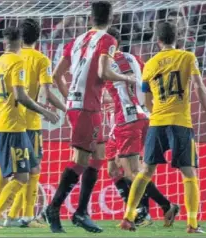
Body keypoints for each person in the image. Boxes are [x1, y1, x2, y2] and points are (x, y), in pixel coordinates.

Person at [44, 1, 137, 233]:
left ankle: (81, 212)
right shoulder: (109, 40)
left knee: (99, 155)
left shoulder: (76, 41)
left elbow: (57, 75)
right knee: (81, 160)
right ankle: (53, 208)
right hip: (85, 107)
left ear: (90, 18)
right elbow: (103, 72)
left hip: (85, 105)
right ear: (111, 18)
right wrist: (127, 79)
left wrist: (69, 101)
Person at [120, 22, 206, 234]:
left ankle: (128, 217)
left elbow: (145, 99)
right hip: (180, 122)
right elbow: (199, 87)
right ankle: (192, 224)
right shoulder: (187, 57)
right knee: (189, 173)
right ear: (177, 38)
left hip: (157, 122)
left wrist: (157, 112)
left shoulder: (150, 64)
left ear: (158, 40)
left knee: (145, 171)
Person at [102, 27, 178, 229]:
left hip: (127, 118)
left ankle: (163, 206)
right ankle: (140, 211)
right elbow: (147, 84)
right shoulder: (135, 59)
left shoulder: (106, 62)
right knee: (115, 168)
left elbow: (99, 79)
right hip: (139, 116)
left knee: (132, 172)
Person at [0, 26, 59, 229]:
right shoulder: (18, 62)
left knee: (33, 168)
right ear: (20, 41)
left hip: (8, 122)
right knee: (21, 176)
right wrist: (45, 111)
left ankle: (20, 217)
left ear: (4, 42)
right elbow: (20, 96)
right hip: (13, 125)